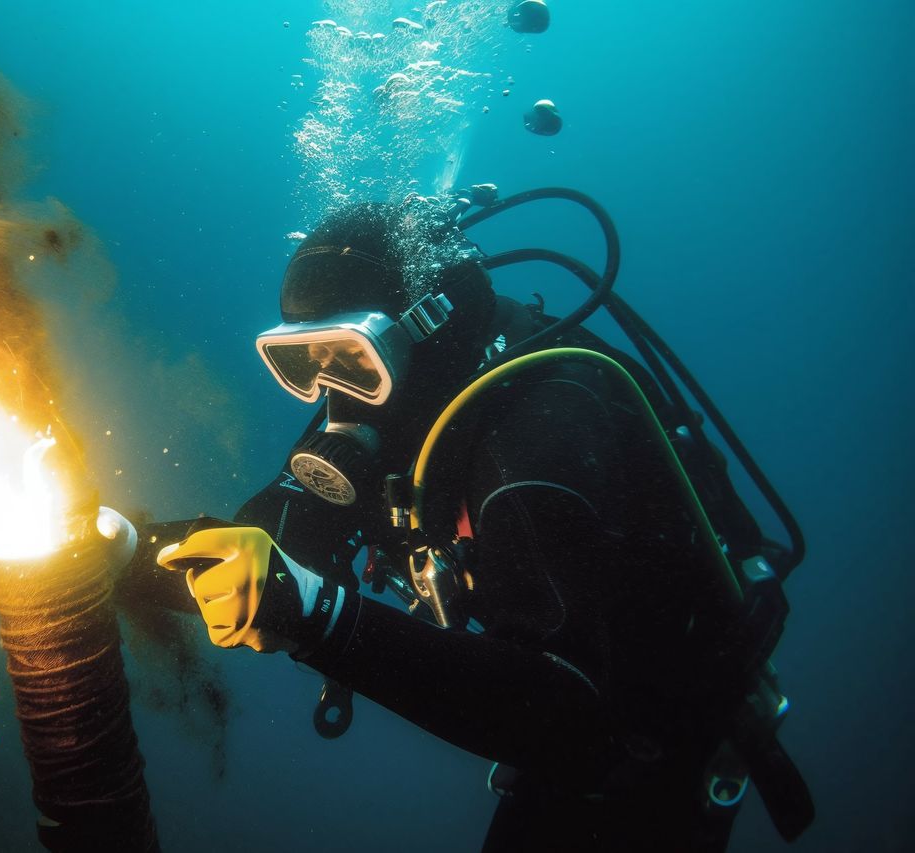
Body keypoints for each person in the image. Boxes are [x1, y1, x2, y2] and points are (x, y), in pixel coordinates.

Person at [142, 195, 811, 851]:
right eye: (302, 361)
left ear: (430, 331)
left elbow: (570, 713)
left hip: (648, 731)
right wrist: (122, 546)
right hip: (545, 717)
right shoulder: (393, 405)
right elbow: (259, 553)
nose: (331, 395)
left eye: (351, 357)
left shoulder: (539, 433)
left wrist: (322, 619)